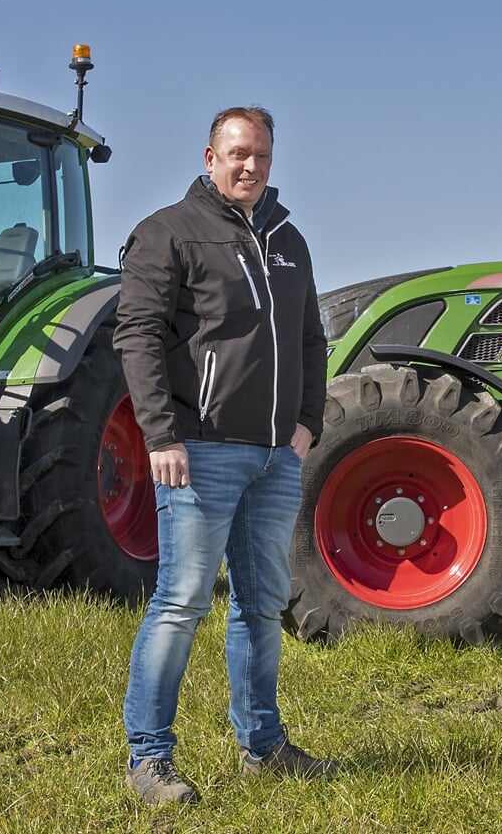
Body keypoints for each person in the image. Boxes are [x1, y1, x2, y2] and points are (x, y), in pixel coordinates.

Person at [114, 106, 335, 807]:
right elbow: (139, 336)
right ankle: (149, 758)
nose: (250, 166)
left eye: (262, 156)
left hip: (275, 457)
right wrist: (160, 433)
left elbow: (310, 342)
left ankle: (262, 746)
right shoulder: (169, 232)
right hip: (199, 451)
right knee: (181, 602)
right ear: (210, 156)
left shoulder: (289, 241)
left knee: (263, 603)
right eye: (238, 153)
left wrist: (306, 424)